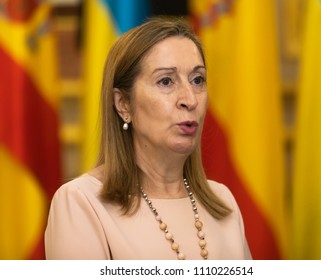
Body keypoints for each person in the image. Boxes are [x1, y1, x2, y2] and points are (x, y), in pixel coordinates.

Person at [45, 17, 252, 260]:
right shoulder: (81, 203)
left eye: (198, 80)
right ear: (123, 104)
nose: (190, 99)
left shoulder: (223, 202)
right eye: (166, 81)